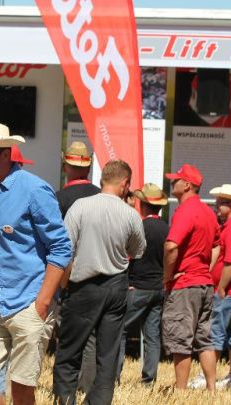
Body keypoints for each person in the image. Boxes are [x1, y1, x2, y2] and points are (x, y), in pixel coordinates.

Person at [0, 121, 72, 405]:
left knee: (22, 389)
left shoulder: (35, 190)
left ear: (6, 155)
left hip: (30, 302)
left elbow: (60, 247)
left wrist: (43, 302)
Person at [52, 159, 146, 405]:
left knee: (69, 352)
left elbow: (65, 250)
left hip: (83, 285)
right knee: (107, 355)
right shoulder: (130, 214)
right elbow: (137, 250)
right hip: (116, 286)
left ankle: (64, 400)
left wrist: (62, 286)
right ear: (125, 184)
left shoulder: (80, 207)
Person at [187, 184, 231, 389]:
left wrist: (221, 287)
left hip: (230, 290)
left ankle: (208, 377)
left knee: (214, 333)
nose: (217, 206)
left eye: (222, 203)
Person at [161, 164, 219, 391]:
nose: (172, 182)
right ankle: (212, 389)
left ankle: (181, 390)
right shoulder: (208, 211)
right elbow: (216, 247)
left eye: (176, 179)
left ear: (187, 185)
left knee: (180, 340)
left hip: (186, 284)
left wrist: (168, 276)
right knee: (204, 339)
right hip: (204, 282)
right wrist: (205, 268)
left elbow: (171, 246)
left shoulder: (185, 211)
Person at [54, 141, 101, 393]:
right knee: (92, 336)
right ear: (89, 166)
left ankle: (64, 390)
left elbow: (54, 242)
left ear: (65, 165)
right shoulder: (101, 196)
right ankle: (87, 386)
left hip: (68, 274)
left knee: (67, 335)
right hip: (100, 274)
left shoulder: (59, 198)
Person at [115, 183, 169, 386]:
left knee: (119, 331)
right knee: (152, 336)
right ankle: (149, 380)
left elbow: (126, 256)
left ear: (143, 205)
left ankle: (114, 377)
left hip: (136, 287)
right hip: (157, 288)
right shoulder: (166, 228)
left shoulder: (138, 226)